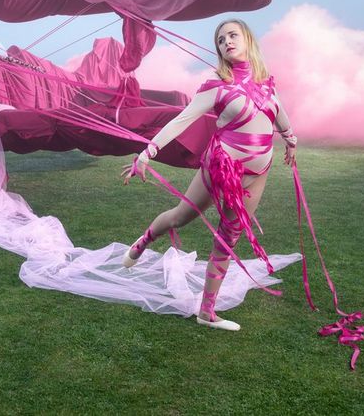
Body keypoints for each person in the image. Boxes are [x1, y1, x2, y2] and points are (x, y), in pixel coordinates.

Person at [121, 19, 298, 331]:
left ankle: (207, 312)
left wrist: (291, 139)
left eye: (232, 35)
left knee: (228, 239)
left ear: (248, 39)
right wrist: (148, 152)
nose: (226, 42)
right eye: (220, 40)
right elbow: (182, 119)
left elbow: (279, 114)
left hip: (258, 172)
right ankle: (143, 242)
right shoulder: (217, 86)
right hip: (221, 169)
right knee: (179, 217)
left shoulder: (267, 84)